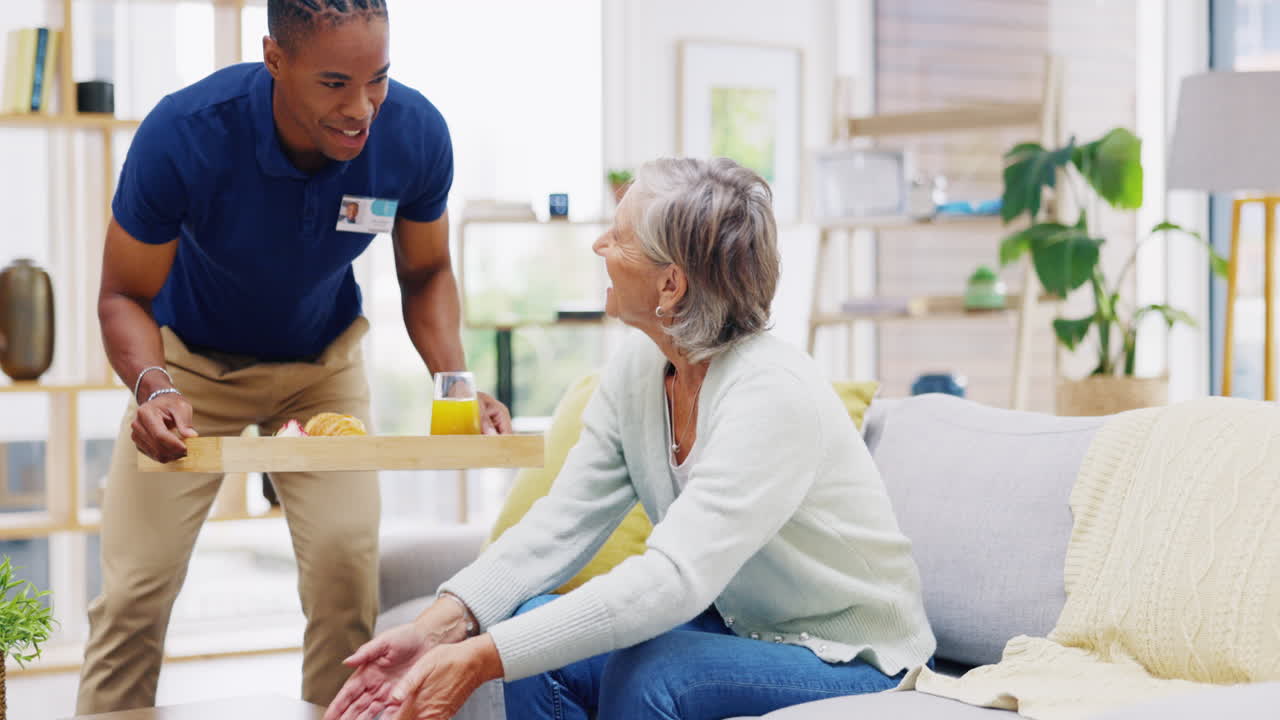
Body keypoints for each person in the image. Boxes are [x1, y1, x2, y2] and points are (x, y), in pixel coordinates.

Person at [325, 157, 936, 720]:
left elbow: (673, 581)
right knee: (535, 627)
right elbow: (559, 525)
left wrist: (484, 657)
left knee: (654, 674)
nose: (598, 244)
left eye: (618, 237)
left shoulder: (770, 396)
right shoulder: (639, 370)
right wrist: (441, 624)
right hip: (744, 627)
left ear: (670, 286)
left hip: (856, 654)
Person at [75, 0, 511, 713]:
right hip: (186, 369)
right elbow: (122, 293)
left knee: (345, 576)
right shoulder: (186, 134)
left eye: (379, 80)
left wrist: (456, 382)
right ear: (275, 59)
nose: (361, 107)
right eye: (335, 83)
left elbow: (426, 273)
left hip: (322, 371)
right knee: (133, 593)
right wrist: (153, 388)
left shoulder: (415, 135)